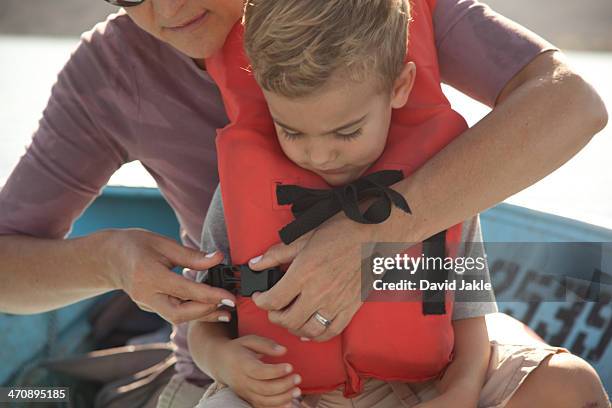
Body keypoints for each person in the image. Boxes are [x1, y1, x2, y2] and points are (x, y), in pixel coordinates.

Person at [0, 0, 607, 407]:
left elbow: (572, 103)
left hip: (420, 334)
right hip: (256, 370)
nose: (165, 10)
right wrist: (109, 261)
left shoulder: (376, 12)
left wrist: (376, 234)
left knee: (563, 390)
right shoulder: (109, 69)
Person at [179, 1, 571, 407]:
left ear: (400, 86)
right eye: (291, 131)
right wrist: (223, 362)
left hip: (420, 386)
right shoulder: (239, 193)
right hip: (283, 395)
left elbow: (469, 315)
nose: (319, 155)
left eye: (346, 132)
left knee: (571, 385)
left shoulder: (441, 182)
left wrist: (461, 390)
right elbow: (207, 316)